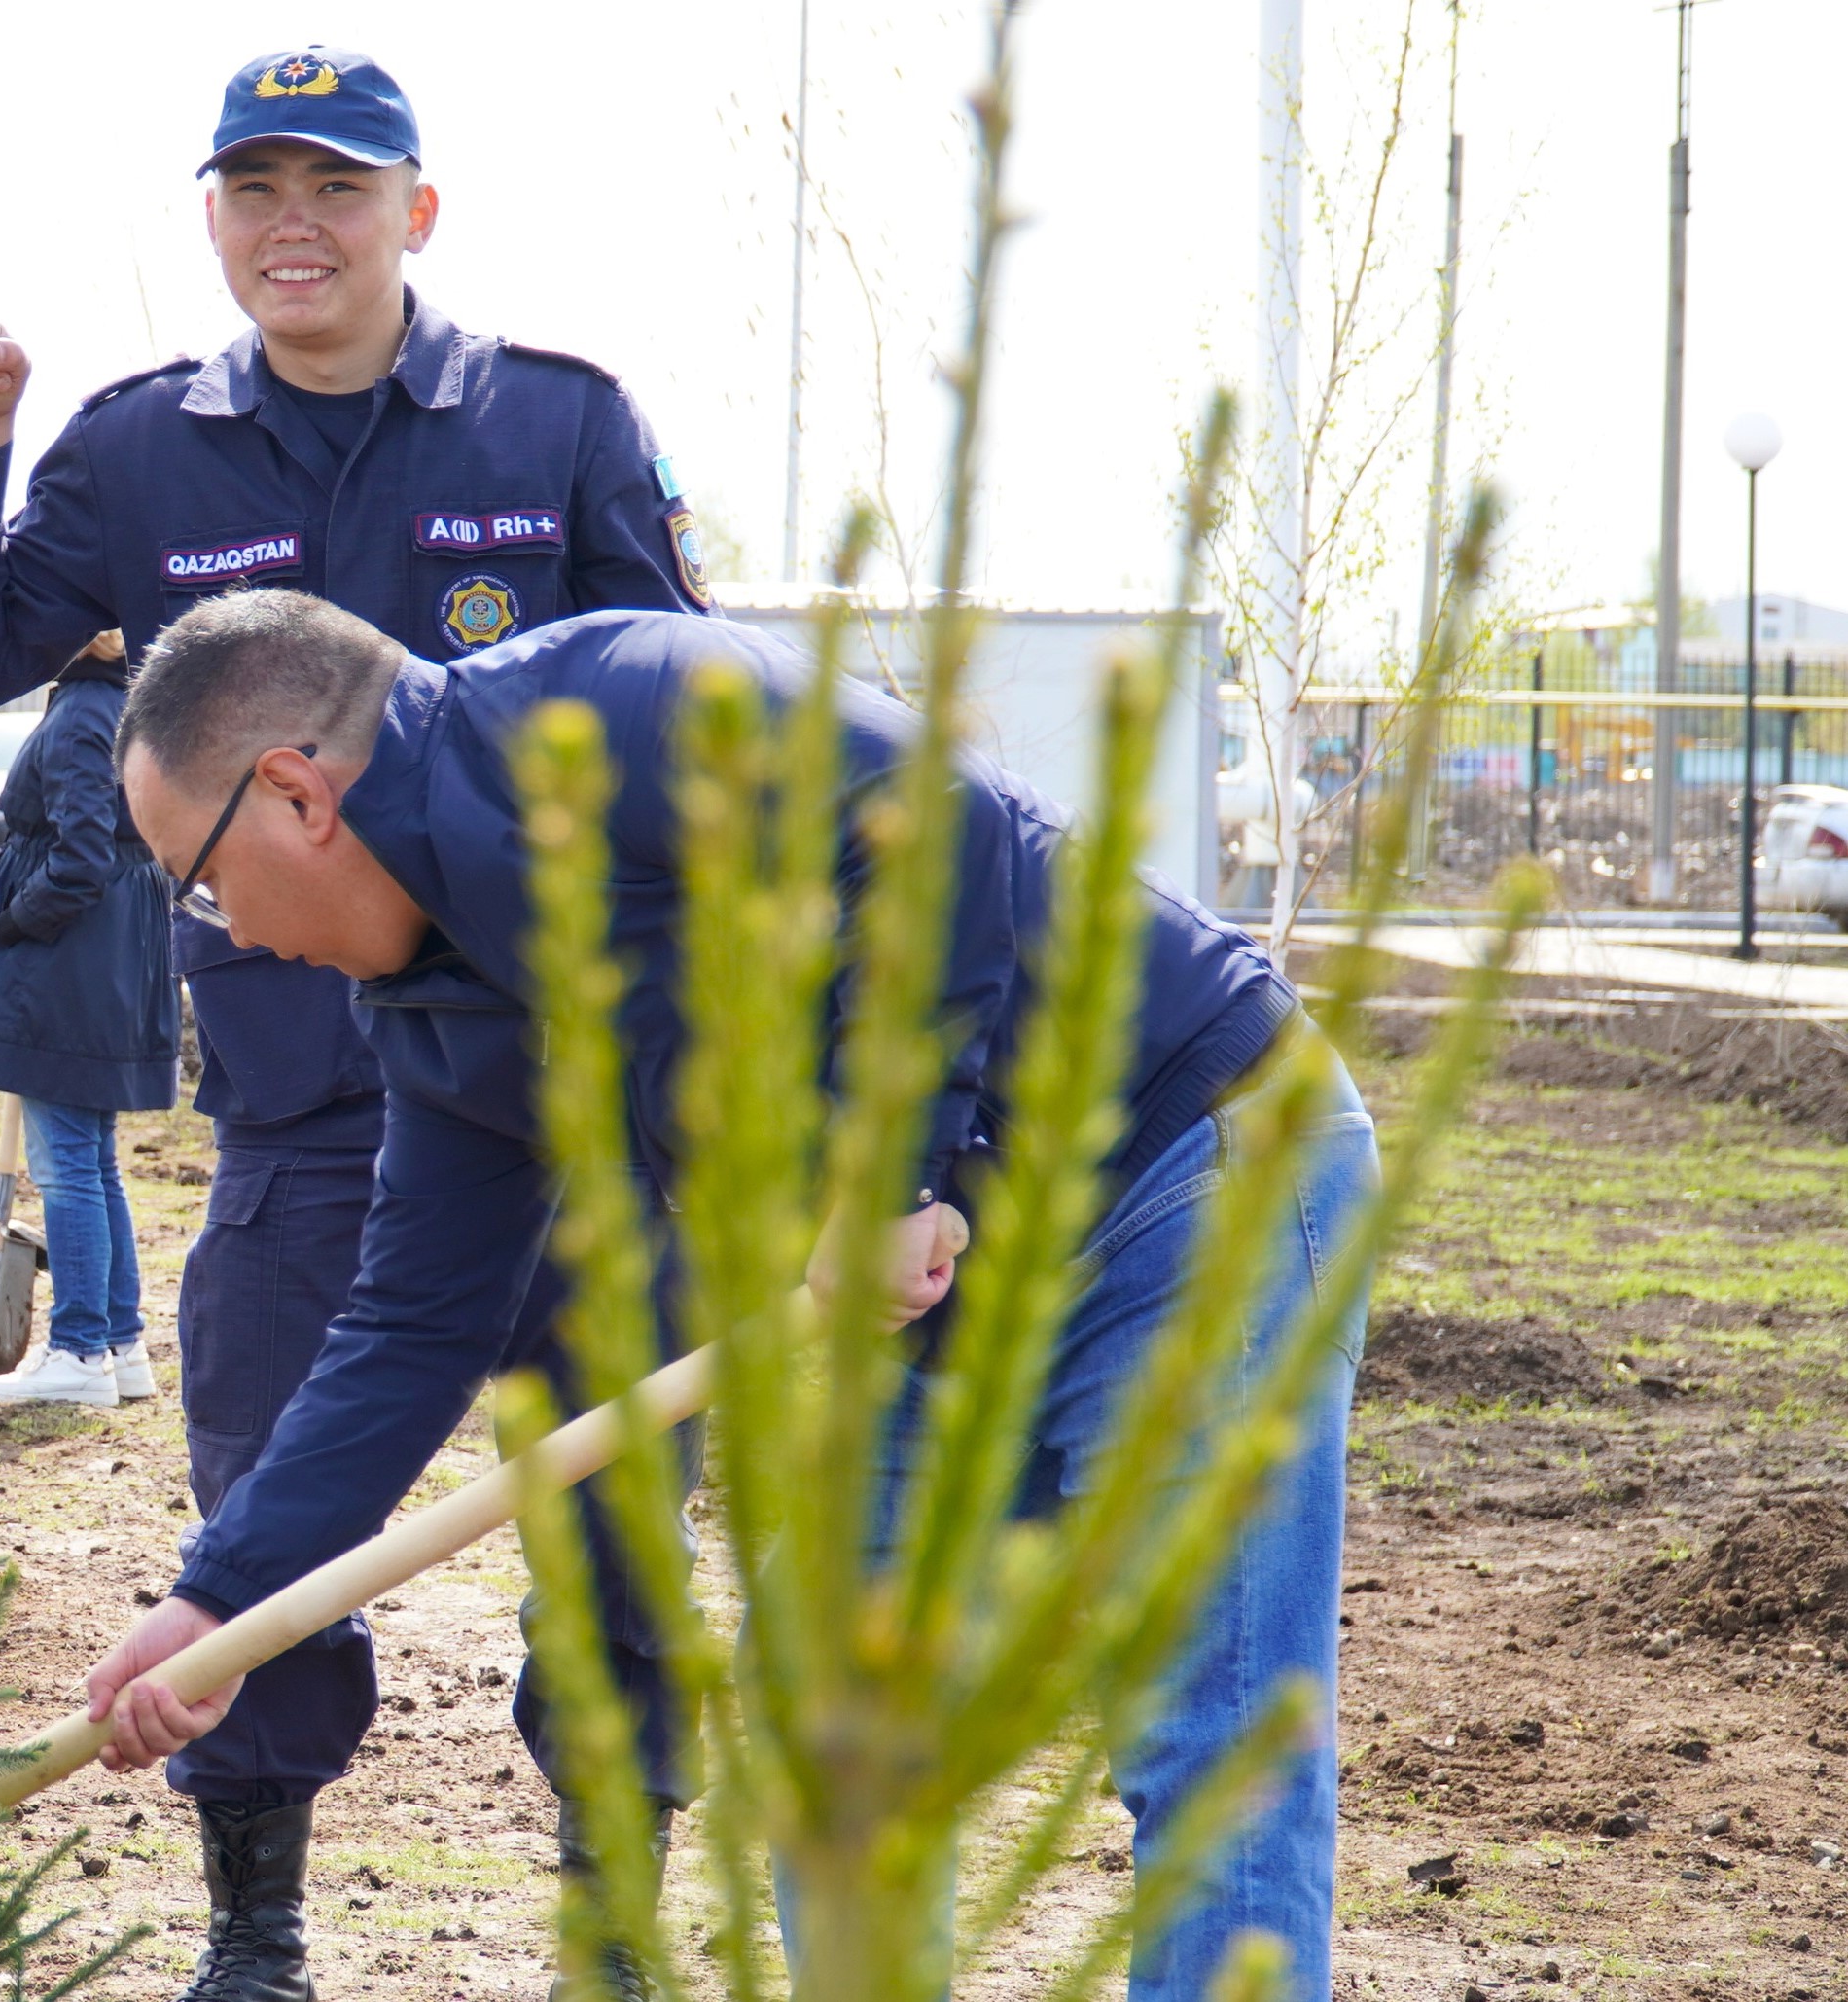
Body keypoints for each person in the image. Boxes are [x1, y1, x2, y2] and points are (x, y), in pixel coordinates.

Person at [90, 591, 1352, 2002]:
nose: (231, 936)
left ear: (295, 792)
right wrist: (222, 1597)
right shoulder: (442, 1003)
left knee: (1207, 1729)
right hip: (928, 1293)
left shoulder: (623, 700)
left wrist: (889, 1169)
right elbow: (408, 1328)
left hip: (1181, 1165)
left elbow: (934, 823)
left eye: (196, 880)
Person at [0, 46, 711, 1996]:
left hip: (579, 1109)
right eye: (253, 189)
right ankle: (253, 1933)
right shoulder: (132, 453)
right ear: (209, 221)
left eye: (336, 189)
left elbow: (687, 697)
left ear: (412, 214)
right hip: (298, 1122)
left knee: (612, 1546)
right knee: (261, 1508)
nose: (293, 227)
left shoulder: (555, 427)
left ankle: (608, 1928)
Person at [0, 631, 176, 1396]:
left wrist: (12, 920)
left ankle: (77, 1353)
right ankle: (120, 1343)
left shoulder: (81, 713)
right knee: (92, 1157)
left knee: (67, 1160)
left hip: (70, 960)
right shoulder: (126, 704)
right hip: (110, 954)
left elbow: (81, 855)